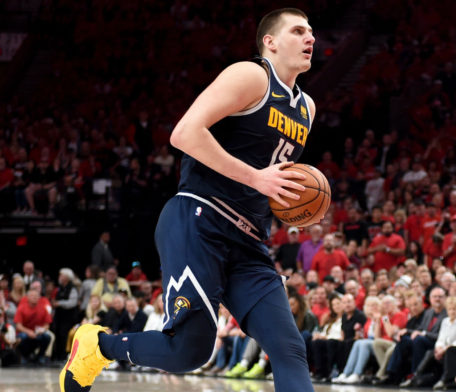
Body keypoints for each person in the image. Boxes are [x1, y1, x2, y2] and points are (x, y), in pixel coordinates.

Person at [61, 8, 317, 392]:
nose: (310, 38)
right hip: (200, 218)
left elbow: (270, 178)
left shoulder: (306, 108)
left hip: (249, 240)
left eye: (311, 32)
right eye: (298, 31)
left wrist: (296, 202)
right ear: (270, 42)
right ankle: (98, 345)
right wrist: (256, 178)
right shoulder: (252, 75)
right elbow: (184, 134)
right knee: (189, 350)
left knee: (289, 348)